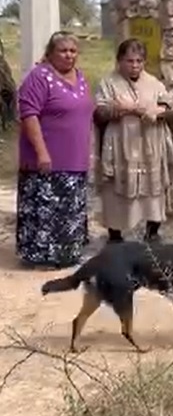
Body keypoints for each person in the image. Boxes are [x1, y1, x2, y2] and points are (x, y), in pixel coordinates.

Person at [16, 31, 96, 268]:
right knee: (46, 208)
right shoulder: (39, 77)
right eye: (63, 50)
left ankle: (68, 253)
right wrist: (41, 152)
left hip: (75, 158)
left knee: (70, 209)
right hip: (48, 159)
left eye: (73, 50)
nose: (69, 55)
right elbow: (29, 115)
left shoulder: (80, 77)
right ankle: (43, 257)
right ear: (50, 53)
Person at [95, 39, 173, 244]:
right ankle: (115, 234)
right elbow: (100, 112)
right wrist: (118, 109)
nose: (135, 65)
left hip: (150, 144)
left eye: (139, 61)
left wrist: (150, 110)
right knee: (116, 187)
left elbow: (169, 109)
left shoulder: (154, 83)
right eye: (129, 61)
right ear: (119, 61)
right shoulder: (109, 83)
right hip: (121, 142)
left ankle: (153, 230)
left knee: (152, 186)